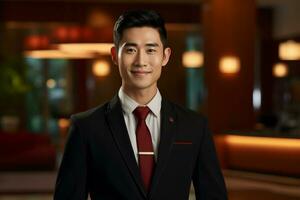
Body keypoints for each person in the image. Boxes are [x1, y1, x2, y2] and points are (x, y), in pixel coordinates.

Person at [54, 10, 227, 200]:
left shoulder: (194, 126)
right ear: (114, 55)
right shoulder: (86, 127)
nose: (141, 61)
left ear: (165, 56)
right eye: (130, 50)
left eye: (151, 50)